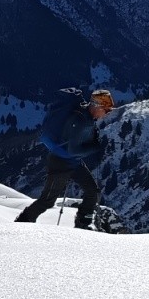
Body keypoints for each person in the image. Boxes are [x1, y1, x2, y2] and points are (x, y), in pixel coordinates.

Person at [14, 88, 115, 228]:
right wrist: (94, 147)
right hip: (60, 163)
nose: (107, 114)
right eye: (106, 110)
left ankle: (83, 225)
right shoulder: (80, 120)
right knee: (47, 201)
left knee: (93, 192)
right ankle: (21, 223)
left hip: (73, 162)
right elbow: (73, 150)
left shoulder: (87, 117)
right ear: (97, 106)